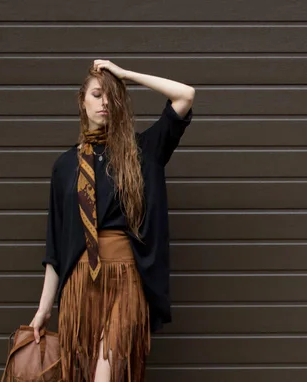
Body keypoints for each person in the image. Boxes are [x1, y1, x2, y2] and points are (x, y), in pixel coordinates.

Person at [29, 59, 195, 382]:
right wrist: (43, 310)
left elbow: (185, 95)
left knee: (106, 373)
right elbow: (55, 249)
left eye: (111, 96)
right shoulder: (64, 167)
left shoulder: (140, 151)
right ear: (82, 100)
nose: (104, 102)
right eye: (96, 94)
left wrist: (125, 74)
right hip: (80, 284)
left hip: (125, 279)